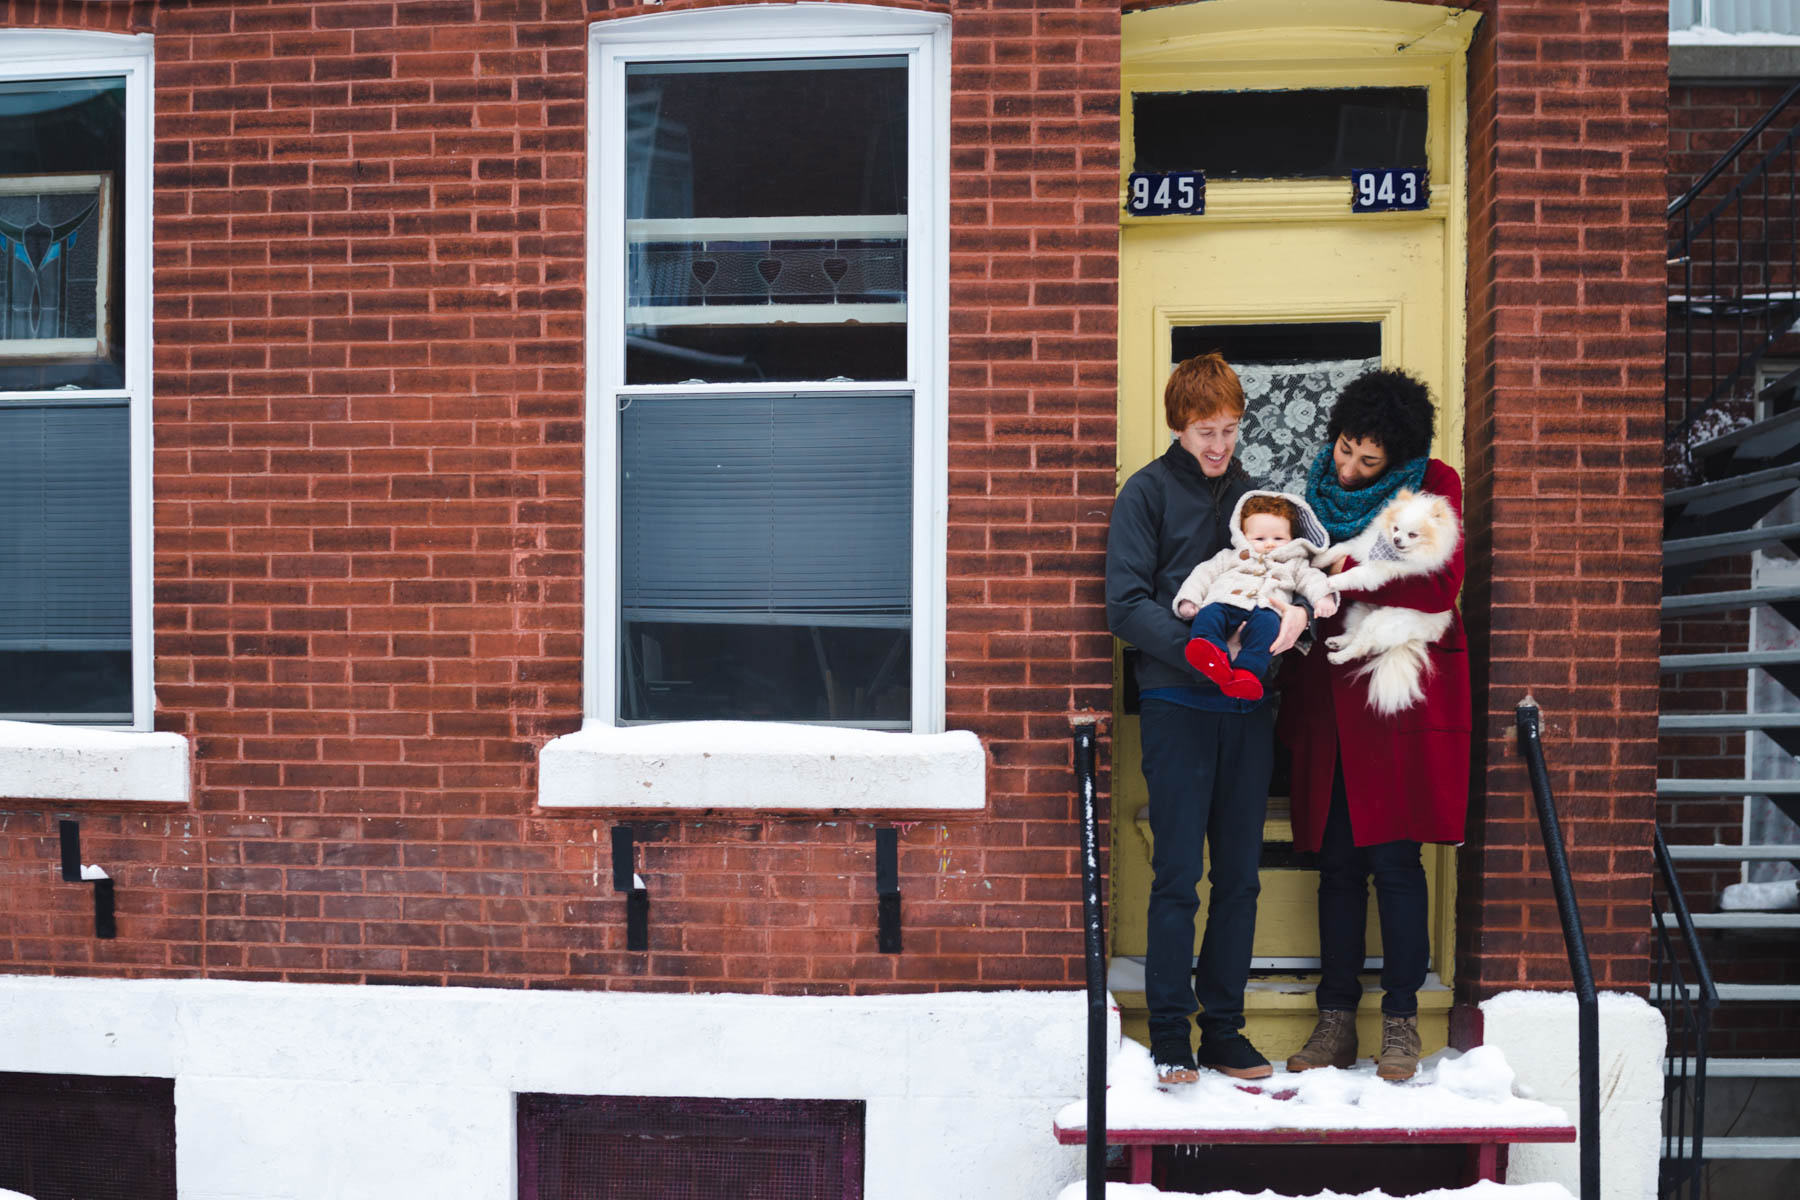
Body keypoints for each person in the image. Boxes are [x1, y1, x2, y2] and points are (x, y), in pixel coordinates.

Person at [1105, 353, 1310, 1084]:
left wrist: (1296, 624)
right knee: (1177, 876)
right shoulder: (1148, 494)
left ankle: (1224, 1030)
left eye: (1228, 429)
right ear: (1178, 426)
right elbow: (1125, 605)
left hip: (1250, 708)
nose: (1218, 445)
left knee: (1241, 878)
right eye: (1203, 431)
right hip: (1177, 704)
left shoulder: (1260, 502)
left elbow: (1294, 576)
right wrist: (1200, 655)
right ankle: (1170, 1034)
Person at [1277, 368, 1471, 1083]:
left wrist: (1349, 570)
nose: (1349, 467)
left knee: (1395, 863)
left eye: (1368, 460)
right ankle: (1334, 1022)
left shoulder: (1435, 487)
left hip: (1394, 696)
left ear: (1402, 458)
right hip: (1328, 695)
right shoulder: (1312, 494)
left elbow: (1436, 581)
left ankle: (1400, 1023)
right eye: (1345, 449)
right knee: (1335, 867)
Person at [1174, 490, 1339, 702]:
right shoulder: (1230, 557)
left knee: (1268, 629)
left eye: (1278, 538)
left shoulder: (1295, 563)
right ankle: (1211, 651)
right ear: (1243, 536)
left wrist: (1323, 597)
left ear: (1292, 539)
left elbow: (1312, 579)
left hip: (1265, 609)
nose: (1269, 544)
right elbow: (1203, 574)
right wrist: (1190, 599)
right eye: (1260, 538)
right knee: (1208, 615)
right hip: (1225, 601)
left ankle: (1247, 673)